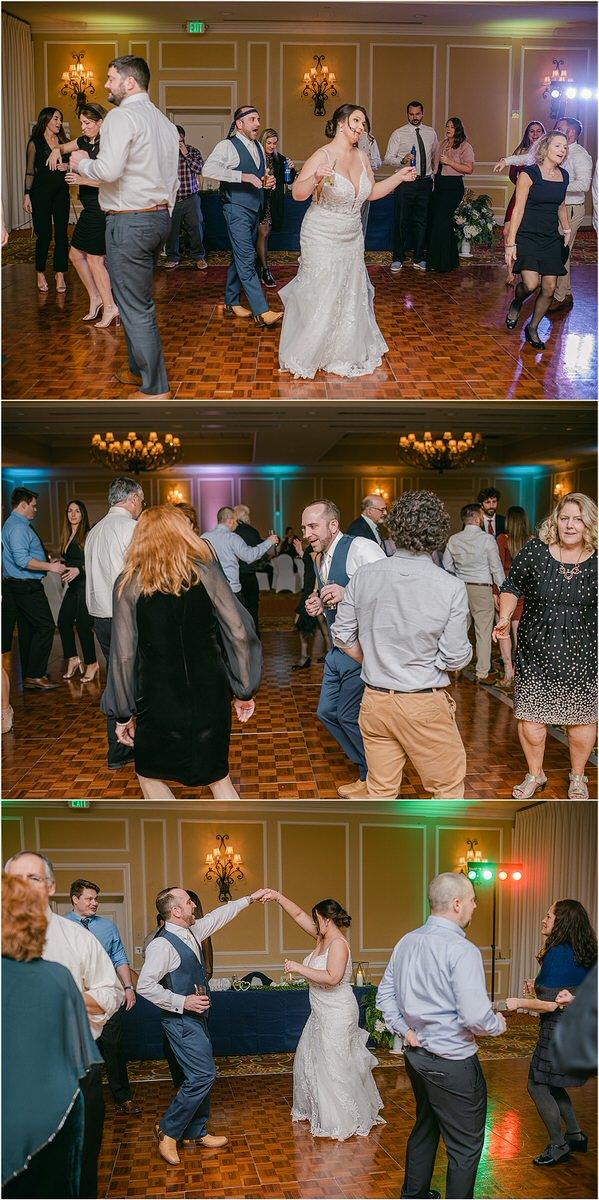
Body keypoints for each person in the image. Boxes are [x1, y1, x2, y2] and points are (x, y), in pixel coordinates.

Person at [102, 505, 263, 799]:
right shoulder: (206, 572)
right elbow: (240, 632)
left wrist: (123, 714)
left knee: (150, 776)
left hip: (157, 696)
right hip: (210, 691)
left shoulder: (128, 582)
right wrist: (244, 689)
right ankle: (241, 840)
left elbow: (123, 655)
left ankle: (175, 842)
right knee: (219, 778)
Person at [334, 491, 472, 799]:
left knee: (380, 792)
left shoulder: (364, 576)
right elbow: (454, 659)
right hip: (423, 703)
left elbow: (342, 635)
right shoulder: (451, 587)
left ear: (394, 527)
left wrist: (373, 662)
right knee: (447, 792)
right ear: (438, 532)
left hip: (375, 701)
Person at [377, 872, 506, 1200]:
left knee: (425, 1127)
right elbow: (476, 1017)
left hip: (417, 1057)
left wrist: (405, 1030)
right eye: (473, 900)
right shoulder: (462, 950)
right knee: (465, 1147)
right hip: (454, 1063)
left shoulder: (406, 941)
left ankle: (414, 1195)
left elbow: (385, 996)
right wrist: (499, 1024)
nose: (475, 907)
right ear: (458, 903)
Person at [4, 851, 123, 1200]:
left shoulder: (77, 937)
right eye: (15, 880)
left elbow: (110, 993)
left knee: (77, 1172)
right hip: (8, 1075)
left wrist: (62, 994)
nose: (24, 887)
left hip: (72, 1068)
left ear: (51, 886)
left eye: (34, 878)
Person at [279, 104, 416, 378]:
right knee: (323, 291)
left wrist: (399, 177)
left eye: (364, 123)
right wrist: (316, 177)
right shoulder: (323, 155)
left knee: (348, 291)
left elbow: (372, 192)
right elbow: (298, 194)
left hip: (352, 234)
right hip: (322, 232)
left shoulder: (363, 157)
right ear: (340, 123)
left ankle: (340, 349)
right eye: (356, 120)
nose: (360, 127)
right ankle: (311, 349)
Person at [70, 56, 179, 399]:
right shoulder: (163, 121)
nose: (106, 84)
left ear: (130, 83)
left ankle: (155, 388)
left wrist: (82, 162)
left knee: (135, 304)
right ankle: (137, 370)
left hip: (130, 220)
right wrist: (162, 215)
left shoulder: (120, 116)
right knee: (136, 300)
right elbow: (173, 180)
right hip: (157, 217)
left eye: (111, 78)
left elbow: (110, 170)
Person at [137, 884, 268, 1165]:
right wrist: (182, 1002)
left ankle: (195, 1132)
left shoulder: (192, 932)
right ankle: (168, 1131)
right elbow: (144, 986)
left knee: (199, 1075)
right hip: (181, 1021)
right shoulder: (161, 945)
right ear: (175, 911)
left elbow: (221, 915)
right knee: (202, 1076)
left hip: (198, 1019)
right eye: (188, 902)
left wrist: (250, 898)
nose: (194, 906)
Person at [494, 492, 597, 799]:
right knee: (531, 719)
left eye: (578, 519)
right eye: (564, 518)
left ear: (589, 523)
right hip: (536, 650)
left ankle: (578, 777)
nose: (570, 525)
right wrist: (504, 616)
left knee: (581, 719)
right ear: (556, 520)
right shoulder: (536, 552)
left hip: (585, 653)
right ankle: (535, 774)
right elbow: (512, 586)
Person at [262, 890, 384, 1140]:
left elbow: (332, 978)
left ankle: (343, 1119)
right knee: (314, 1060)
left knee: (335, 1063)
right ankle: (323, 1111)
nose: (313, 924)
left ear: (326, 920)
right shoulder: (322, 936)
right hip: (320, 1011)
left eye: (316, 919)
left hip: (338, 1010)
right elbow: (297, 914)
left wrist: (299, 967)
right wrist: (276, 896)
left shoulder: (338, 944)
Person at [504, 899, 597, 1166]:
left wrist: (518, 1002)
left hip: (559, 1029)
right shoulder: (583, 949)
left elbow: (549, 1004)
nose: (544, 920)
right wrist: (539, 984)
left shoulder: (558, 953)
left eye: (548, 916)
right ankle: (576, 1135)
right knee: (551, 1083)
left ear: (561, 922)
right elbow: (572, 987)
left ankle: (558, 1145)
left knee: (536, 1084)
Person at [302, 499, 384, 797]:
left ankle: (376, 776)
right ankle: (368, 770)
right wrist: (317, 603)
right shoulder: (318, 558)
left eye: (313, 526)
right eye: (304, 527)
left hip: (361, 649)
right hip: (338, 648)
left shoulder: (360, 547)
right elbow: (331, 597)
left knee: (348, 715)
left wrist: (346, 591)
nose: (306, 532)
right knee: (327, 713)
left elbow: (387, 589)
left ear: (332, 525)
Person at [65, 879, 140, 1117]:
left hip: (108, 997)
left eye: (96, 898)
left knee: (114, 1047)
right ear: (75, 899)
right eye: (89, 898)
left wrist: (128, 987)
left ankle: (123, 1098)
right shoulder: (62, 927)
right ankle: (81, 1102)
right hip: (75, 999)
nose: (94, 903)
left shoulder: (108, 926)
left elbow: (119, 957)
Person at [203, 105, 282, 326]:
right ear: (240, 124)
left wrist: (268, 180)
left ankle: (231, 301)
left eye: (258, 119)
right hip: (235, 208)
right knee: (247, 257)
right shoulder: (227, 146)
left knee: (239, 255)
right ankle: (262, 311)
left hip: (253, 209)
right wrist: (243, 176)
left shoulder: (257, 146)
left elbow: (260, 174)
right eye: (252, 120)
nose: (258, 124)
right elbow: (208, 169)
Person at [85, 477, 144, 769]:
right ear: (132, 498)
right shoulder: (132, 528)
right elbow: (143, 574)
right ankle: (143, 746)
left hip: (100, 617)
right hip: (128, 615)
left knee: (115, 680)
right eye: (141, 501)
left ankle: (118, 751)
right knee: (140, 679)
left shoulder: (94, 531)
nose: (141, 506)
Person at [47, 103, 118, 326]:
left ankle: (110, 307)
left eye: (88, 123)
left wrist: (81, 180)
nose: (83, 127)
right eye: (81, 123)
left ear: (100, 123)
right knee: (76, 255)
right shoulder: (83, 141)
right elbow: (62, 146)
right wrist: (58, 152)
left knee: (96, 260)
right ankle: (96, 298)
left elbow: (111, 181)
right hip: (89, 208)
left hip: (102, 208)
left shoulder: (109, 146)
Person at [504, 130, 571, 349]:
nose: (563, 149)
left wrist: (567, 229)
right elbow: (518, 210)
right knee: (531, 284)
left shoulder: (564, 176)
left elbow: (561, 205)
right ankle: (517, 301)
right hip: (528, 236)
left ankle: (532, 327)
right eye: (558, 145)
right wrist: (511, 243)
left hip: (551, 237)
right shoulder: (529, 174)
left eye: (565, 146)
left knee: (549, 287)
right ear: (546, 147)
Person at [2, 486, 67, 690]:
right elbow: (22, 560)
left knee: (28, 629)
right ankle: (35, 675)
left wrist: (47, 558)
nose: (35, 509)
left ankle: (32, 674)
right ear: (23, 505)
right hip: (25, 586)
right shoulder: (19, 527)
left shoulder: (14, 524)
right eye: (33, 505)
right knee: (46, 626)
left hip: (17, 585)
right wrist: (51, 567)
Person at [443, 504, 505, 683]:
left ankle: (457, 669)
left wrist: (458, 577)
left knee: (460, 629)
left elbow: (447, 566)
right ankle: (482, 673)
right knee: (483, 631)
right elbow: (496, 568)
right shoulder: (487, 539)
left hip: (460, 588)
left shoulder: (454, 539)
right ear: (478, 519)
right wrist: (503, 591)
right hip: (481, 588)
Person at [384, 100, 438, 272]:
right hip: (405, 181)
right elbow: (387, 158)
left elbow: (435, 155)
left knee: (422, 221)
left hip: (425, 181)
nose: (414, 117)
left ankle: (419, 257)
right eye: (411, 114)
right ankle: (398, 258)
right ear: (407, 115)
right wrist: (402, 160)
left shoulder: (431, 133)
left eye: (417, 114)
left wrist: (434, 176)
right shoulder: (399, 133)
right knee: (401, 220)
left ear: (423, 114)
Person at [492, 120, 546, 284]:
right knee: (508, 230)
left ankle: (536, 270)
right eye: (532, 131)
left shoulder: (545, 153)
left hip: (537, 198)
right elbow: (512, 175)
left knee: (532, 233)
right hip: (519, 195)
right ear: (527, 133)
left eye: (538, 131)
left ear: (543, 133)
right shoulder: (520, 152)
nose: (535, 134)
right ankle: (510, 272)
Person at [23, 107, 69, 293]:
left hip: (61, 193)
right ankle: (40, 272)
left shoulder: (63, 142)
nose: (59, 122)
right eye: (56, 119)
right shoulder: (35, 143)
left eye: (60, 119)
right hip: (40, 194)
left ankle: (60, 273)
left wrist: (66, 166)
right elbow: (29, 171)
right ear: (46, 120)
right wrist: (26, 195)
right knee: (44, 235)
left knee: (61, 235)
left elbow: (72, 165)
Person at [549, 118, 593, 313]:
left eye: (560, 129)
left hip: (572, 209)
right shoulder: (559, 150)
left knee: (562, 251)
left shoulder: (581, 155)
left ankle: (559, 296)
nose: (555, 130)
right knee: (560, 250)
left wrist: (558, 186)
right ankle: (566, 294)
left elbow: (583, 185)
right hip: (559, 207)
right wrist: (507, 160)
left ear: (572, 133)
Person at [57, 500, 100, 683]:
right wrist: (60, 566)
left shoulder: (88, 535)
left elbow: (94, 562)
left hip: (85, 585)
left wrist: (78, 570)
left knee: (83, 625)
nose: (73, 514)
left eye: (77, 511)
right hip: (73, 587)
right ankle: (73, 658)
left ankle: (92, 663)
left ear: (83, 514)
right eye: (70, 511)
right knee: (63, 622)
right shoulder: (67, 535)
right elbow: (71, 559)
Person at [427, 117, 475, 273]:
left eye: (452, 127)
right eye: (447, 126)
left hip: (453, 187)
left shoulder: (464, 146)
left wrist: (450, 162)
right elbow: (434, 164)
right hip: (439, 186)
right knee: (442, 222)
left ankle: (439, 263)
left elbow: (469, 169)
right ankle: (450, 260)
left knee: (441, 221)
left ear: (458, 129)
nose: (448, 129)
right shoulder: (441, 144)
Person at [202, 506, 278, 600]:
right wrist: (269, 541)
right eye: (236, 521)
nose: (237, 524)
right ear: (230, 521)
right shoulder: (232, 538)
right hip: (230, 591)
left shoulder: (204, 537)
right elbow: (249, 556)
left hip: (211, 590)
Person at [494, 505, 531, 687]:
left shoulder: (502, 539)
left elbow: (498, 567)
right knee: (520, 635)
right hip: (526, 593)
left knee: (504, 632)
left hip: (508, 592)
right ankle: (521, 674)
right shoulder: (532, 541)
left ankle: (509, 672)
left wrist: (496, 592)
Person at [164, 124, 207, 272]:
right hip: (171, 199)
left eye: (179, 139)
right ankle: (172, 257)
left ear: (183, 138)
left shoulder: (193, 151)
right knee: (171, 230)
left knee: (195, 227)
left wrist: (186, 153)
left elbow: (199, 169)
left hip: (190, 197)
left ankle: (198, 257)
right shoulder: (164, 153)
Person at [257, 127, 296, 286]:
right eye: (269, 142)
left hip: (273, 203)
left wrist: (292, 170)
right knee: (263, 234)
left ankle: (260, 265)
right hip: (258, 202)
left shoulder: (280, 159)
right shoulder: (256, 158)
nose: (272, 146)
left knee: (265, 234)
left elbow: (288, 181)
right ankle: (265, 269)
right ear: (263, 142)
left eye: (275, 143)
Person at [292, 539, 331, 671]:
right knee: (322, 622)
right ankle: (329, 653)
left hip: (311, 591)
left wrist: (315, 591)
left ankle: (304, 657)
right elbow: (310, 564)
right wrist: (301, 552)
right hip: (312, 590)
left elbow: (318, 572)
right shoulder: (314, 546)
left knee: (301, 622)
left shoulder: (316, 547)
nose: (305, 532)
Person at [233, 503, 269, 635]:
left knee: (235, 610)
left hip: (235, 577)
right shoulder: (253, 532)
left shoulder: (232, 533)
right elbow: (263, 558)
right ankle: (254, 638)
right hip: (250, 577)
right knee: (252, 609)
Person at [357, 114, 382, 238]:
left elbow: (377, 162)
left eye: (362, 123)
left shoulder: (369, 139)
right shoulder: (344, 139)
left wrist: (365, 163)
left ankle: (359, 249)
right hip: (346, 184)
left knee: (362, 219)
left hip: (363, 183)